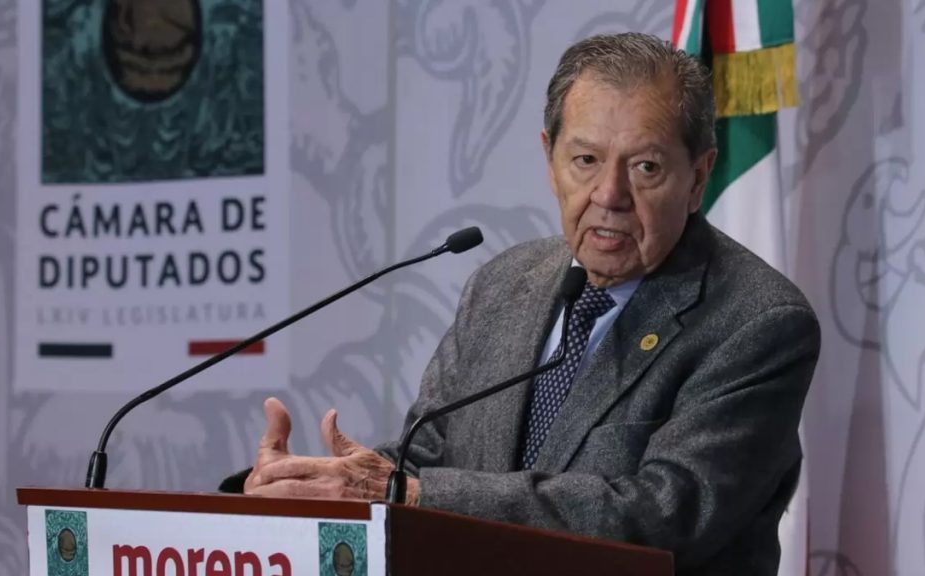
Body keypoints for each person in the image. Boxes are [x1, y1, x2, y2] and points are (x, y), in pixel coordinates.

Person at [223, 32, 820, 575]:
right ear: (550, 160)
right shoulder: (505, 284)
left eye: (645, 167)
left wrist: (410, 495)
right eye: (585, 160)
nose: (609, 195)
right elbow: (425, 459)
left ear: (698, 178)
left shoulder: (758, 321)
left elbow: (664, 514)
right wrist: (302, 489)